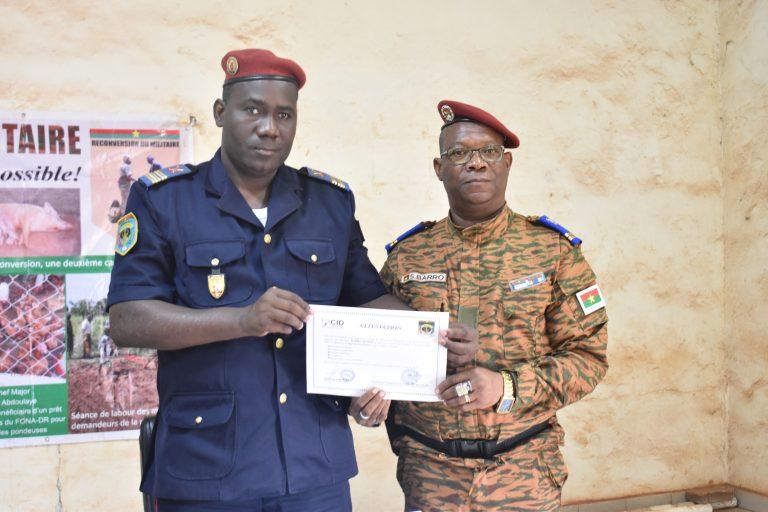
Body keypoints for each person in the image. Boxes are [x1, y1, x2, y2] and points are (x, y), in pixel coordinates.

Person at [107, 50, 477, 511]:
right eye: (253, 110)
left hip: (313, 464)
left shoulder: (328, 203)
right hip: (206, 470)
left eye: (284, 114)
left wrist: (432, 340)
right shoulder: (165, 200)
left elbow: (366, 299)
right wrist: (242, 320)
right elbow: (127, 319)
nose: (269, 127)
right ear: (221, 113)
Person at [380, 100, 609, 511]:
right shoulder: (407, 258)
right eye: (459, 153)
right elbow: (382, 352)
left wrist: (506, 386)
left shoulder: (552, 252)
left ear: (506, 163)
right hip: (430, 475)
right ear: (439, 167)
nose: (475, 164)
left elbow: (588, 359)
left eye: (487, 152)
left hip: (524, 473)